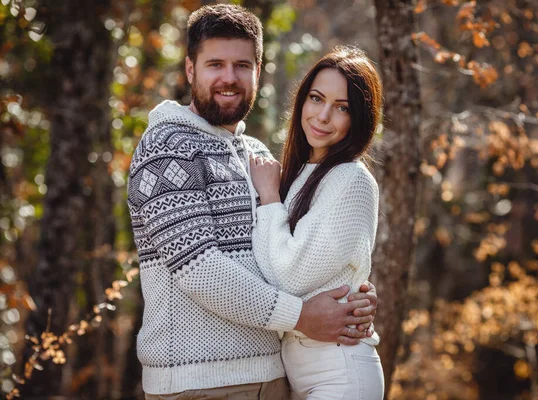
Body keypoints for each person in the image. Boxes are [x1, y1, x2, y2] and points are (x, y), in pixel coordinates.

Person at [126, 5, 378, 399]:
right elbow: (199, 269)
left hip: (275, 376)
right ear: (190, 69)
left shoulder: (257, 156)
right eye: (215, 64)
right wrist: (303, 317)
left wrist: (351, 291)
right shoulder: (166, 148)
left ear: (258, 71)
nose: (229, 78)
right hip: (200, 384)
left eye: (242, 65)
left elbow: (293, 254)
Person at [249, 46, 385, 399]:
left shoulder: (351, 180)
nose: (323, 116)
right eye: (316, 98)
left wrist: (269, 198)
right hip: (301, 367)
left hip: (338, 369)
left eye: (342, 108)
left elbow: (288, 276)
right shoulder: (299, 175)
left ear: (359, 118)